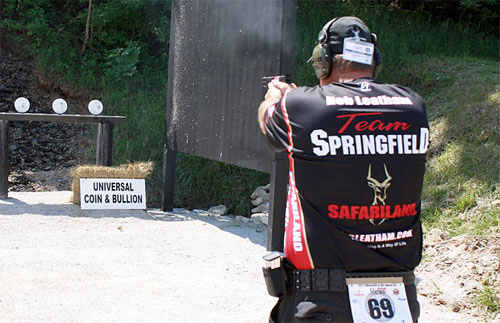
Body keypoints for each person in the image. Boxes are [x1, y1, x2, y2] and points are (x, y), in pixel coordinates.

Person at [258, 16, 429, 322]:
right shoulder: (414, 106)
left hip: (321, 299)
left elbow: (267, 119)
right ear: (374, 59)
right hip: (400, 297)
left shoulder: (300, 106)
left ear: (323, 62)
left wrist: (276, 94)